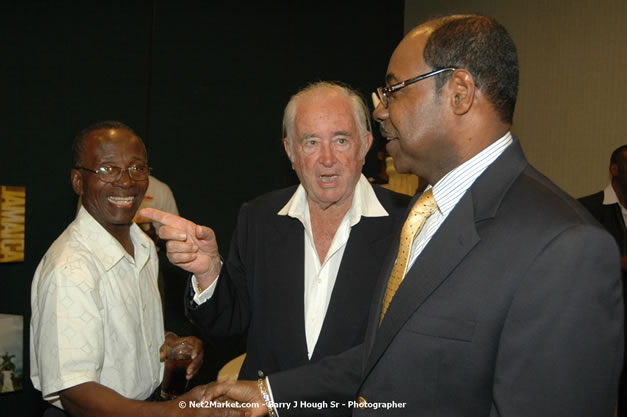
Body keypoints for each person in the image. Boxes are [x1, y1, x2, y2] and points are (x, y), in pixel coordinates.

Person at [202, 14, 624, 417]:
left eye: (394, 90)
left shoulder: (566, 248)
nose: (382, 111)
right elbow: (384, 356)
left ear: (459, 92)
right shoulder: (425, 214)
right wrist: (271, 391)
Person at [141, 82, 410, 382]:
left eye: (341, 140)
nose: (327, 159)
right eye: (310, 142)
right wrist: (208, 274)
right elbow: (229, 334)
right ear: (290, 150)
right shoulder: (258, 218)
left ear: (365, 144)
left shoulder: (407, 224)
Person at [30, 121, 235, 417]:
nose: (126, 181)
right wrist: (174, 412)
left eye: (137, 168)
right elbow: (76, 394)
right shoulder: (70, 270)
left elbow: (117, 333)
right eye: (107, 169)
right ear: (78, 181)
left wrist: (166, 343)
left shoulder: (143, 247)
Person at [579, 144, 627, 416]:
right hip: (598, 324)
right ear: (614, 170)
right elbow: (575, 262)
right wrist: (616, 262)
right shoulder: (587, 208)